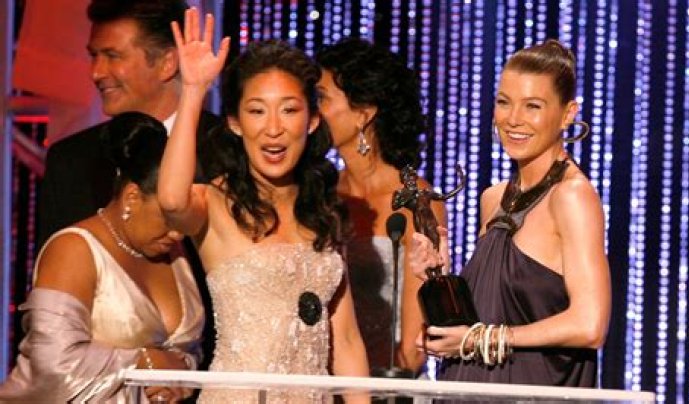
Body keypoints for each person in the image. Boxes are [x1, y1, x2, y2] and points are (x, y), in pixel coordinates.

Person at [158, 9, 369, 402]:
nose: (273, 129)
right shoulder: (215, 202)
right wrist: (193, 91)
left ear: (311, 121)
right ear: (235, 123)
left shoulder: (323, 209)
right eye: (256, 111)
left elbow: (346, 340)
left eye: (289, 110)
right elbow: (171, 199)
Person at [410, 39, 611, 387]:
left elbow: (589, 324)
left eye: (533, 106)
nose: (513, 119)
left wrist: (480, 339)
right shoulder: (493, 198)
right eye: (504, 102)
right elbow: (493, 314)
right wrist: (439, 279)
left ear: (568, 114)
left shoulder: (571, 197)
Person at [36, 0, 219, 369]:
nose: (97, 72)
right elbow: (49, 317)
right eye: (94, 56)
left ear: (167, 63)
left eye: (112, 56)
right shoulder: (70, 161)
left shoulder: (227, 154)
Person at [0, 112, 204, 403]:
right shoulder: (74, 249)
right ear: (132, 197)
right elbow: (52, 364)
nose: (178, 233)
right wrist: (143, 362)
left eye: (183, 218)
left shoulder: (175, 253)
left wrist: (180, 375)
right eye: (169, 217)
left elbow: (187, 353)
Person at [315, 38, 446, 374]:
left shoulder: (416, 201)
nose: (311, 112)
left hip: (388, 383)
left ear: (363, 114)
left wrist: (367, 389)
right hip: (320, 381)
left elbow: (415, 345)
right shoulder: (319, 194)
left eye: (322, 98)